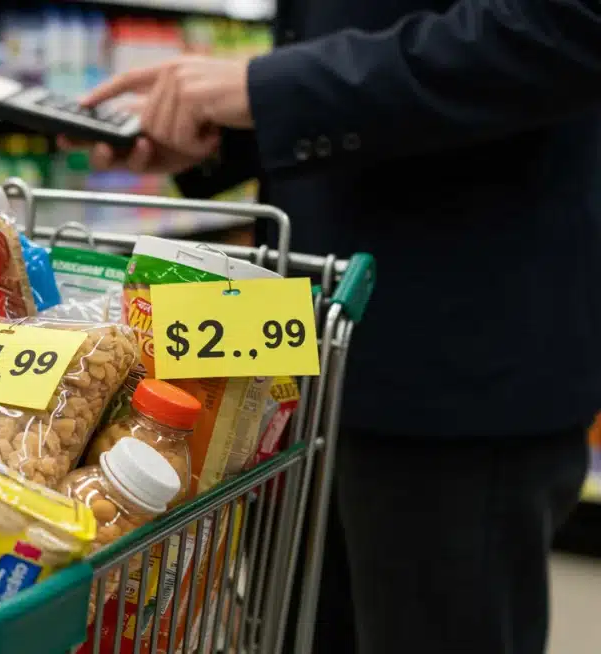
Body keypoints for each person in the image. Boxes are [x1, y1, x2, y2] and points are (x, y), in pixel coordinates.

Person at [60, 2, 601, 653]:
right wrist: (227, 128)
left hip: (458, 363)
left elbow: (564, 24)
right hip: (304, 360)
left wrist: (270, 87)